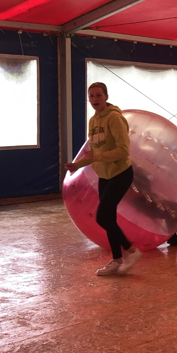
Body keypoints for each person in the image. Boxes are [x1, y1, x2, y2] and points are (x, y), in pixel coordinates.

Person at [65, 82, 142, 277]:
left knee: (102, 217)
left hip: (120, 173)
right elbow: (93, 151)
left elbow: (123, 151)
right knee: (109, 218)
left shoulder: (115, 118)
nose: (95, 99)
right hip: (104, 175)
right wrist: (77, 165)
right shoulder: (93, 121)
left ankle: (131, 251)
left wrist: (97, 157)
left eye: (99, 95)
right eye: (91, 96)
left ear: (106, 97)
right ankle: (117, 260)